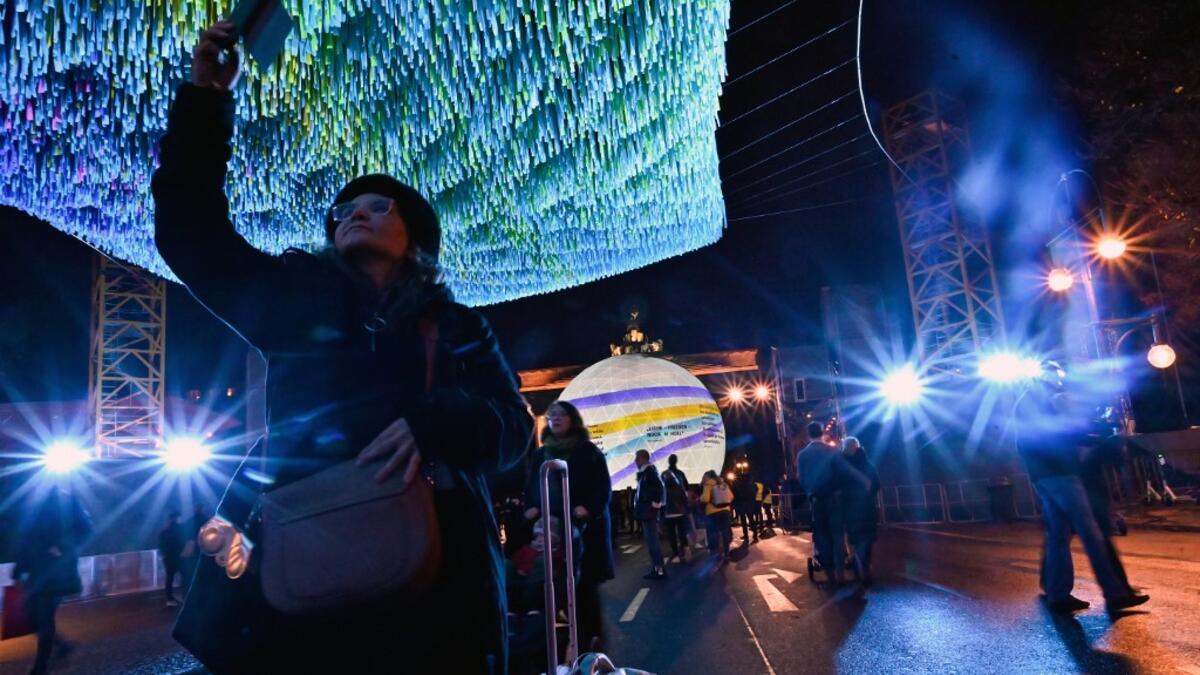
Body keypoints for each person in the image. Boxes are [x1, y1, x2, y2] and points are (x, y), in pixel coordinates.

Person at [153, 23, 533, 673]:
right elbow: (191, 235)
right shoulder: (291, 299)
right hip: (301, 560)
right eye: (345, 208)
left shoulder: (458, 324)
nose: (357, 211)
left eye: (380, 205)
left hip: (433, 574)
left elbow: (512, 427)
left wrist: (435, 421)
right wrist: (205, 101)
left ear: (416, 241)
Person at [1014, 371, 1148, 614]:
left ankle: (1058, 595)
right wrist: (1093, 431)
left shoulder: (1023, 408)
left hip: (1043, 478)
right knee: (1091, 533)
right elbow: (1062, 433)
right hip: (1062, 475)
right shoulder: (1040, 406)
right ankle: (1115, 593)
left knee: (1058, 536)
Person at [523, 400, 614, 649]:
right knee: (546, 586)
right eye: (551, 414)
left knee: (584, 588)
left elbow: (602, 488)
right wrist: (530, 506)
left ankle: (591, 645)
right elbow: (530, 486)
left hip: (582, 530)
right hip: (550, 530)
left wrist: (588, 509)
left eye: (561, 414)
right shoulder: (541, 454)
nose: (555, 418)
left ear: (572, 419)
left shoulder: (589, 452)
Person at [13, 487, 93, 675]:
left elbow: (87, 529)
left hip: (56, 572)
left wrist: (63, 547)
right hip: (35, 571)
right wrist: (18, 571)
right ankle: (63, 646)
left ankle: (40, 668)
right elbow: (26, 538)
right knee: (30, 618)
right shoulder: (33, 501)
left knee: (44, 617)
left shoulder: (67, 498)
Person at [796, 421, 861, 585]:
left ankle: (829, 570)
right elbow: (845, 471)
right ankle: (840, 571)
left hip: (816, 499)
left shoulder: (802, 455)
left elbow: (801, 478)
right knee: (837, 534)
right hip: (834, 497)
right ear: (822, 433)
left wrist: (810, 491)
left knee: (822, 535)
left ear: (809, 434)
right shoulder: (832, 451)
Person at [841, 437, 880, 585]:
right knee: (867, 539)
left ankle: (858, 566)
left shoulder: (842, 465)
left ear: (845, 448)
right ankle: (865, 566)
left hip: (850, 507)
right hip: (867, 507)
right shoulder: (868, 464)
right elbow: (877, 484)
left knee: (855, 539)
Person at [633, 450, 667, 579]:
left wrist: (654, 505)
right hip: (646, 511)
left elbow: (659, 488)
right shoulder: (646, 473)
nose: (635, 461)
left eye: (637, 458)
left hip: (648, 512)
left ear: (642, 458)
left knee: (652, 541)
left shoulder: (649, 472)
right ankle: (657, 569)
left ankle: (659, 570)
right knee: (651, 541)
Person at [700, 470, 734, 561]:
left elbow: (705, 499)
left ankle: (715, 553)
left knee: (713, 533)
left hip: (712, 512)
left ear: (708, 476)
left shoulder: (708, 484)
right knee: (725, 532)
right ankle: (726, 553)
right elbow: (731, 497)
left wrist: (700, 498)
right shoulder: (723, 483)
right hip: (725, 510)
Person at [662, 462, 691, 563]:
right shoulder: (679, 487)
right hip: (680, 513)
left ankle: (676, 553)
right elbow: (685, 500)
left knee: (672, 535)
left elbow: (662, 503)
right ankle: (686, 553)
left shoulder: (664, 489)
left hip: (669, 514)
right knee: (682, 534)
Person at [159, 511, 186, 607]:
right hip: (180, 557)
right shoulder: (181, 529)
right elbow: (184, 543)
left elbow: (161, 546)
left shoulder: (164, 531)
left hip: (168, 558)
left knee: (169, 578)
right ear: (178, 518)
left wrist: (164, 555)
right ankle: (185, 596)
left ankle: (170, 599)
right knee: (185, 577)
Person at [732, 470, 760, 545]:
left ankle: (746, 535)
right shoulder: (752, 485)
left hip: (741, 505)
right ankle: (755, 535)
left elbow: (735, 494)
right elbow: (755, 492)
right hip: (749, 504)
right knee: (751, 520)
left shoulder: (738, 485)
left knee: (744, 521)